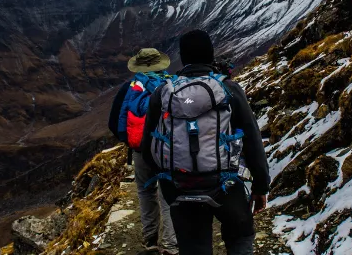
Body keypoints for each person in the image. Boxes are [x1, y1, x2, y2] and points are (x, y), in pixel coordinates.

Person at [141, 30, 270, 255]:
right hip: (226, 185)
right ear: (211, 55)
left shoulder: (163, 93)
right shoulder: (229, 89)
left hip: (180, 188)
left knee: (194, 248)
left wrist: (170, 182)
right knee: (240, 238)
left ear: (183, 57)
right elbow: (252, 139)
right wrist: (261, 186)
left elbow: (147, 148)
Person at [108, 48, 179, 255]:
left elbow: (114, 121)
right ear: (161, 64)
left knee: (145, 191)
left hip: (140, 149)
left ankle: (151, 241)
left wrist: (130, 141)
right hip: (167, 149)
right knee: (167, 194)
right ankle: (170, 244)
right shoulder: (172, 84)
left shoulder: (129, 88)